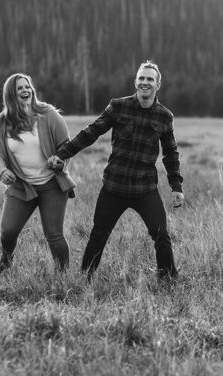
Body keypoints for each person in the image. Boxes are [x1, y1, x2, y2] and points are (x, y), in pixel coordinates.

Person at [47, 60, 184, 280]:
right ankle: (86, 278)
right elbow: (92, 132)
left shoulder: (164, 117)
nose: (145, 82)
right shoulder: (118, 106)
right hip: (114, 187)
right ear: (135, 82)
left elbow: (170, 152)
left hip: (145, 189)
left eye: (150, 79)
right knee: (98, 234)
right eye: (141, 78)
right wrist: (63, 154)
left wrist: (176, 186)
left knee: (161, 235)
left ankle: (168, 280)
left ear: (158, 85)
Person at [0, 73, 76, 277]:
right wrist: (2, 171)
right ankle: (6, 260)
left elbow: (66, 145)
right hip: (21, 186)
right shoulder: (1, 123)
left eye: (28, 86)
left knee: (54, 234)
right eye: (20, 88)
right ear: (11, 94)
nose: (26, 90)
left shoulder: (49, 115)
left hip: (52, 185)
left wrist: (60, 161)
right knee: (8, 231)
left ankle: (63, 277)